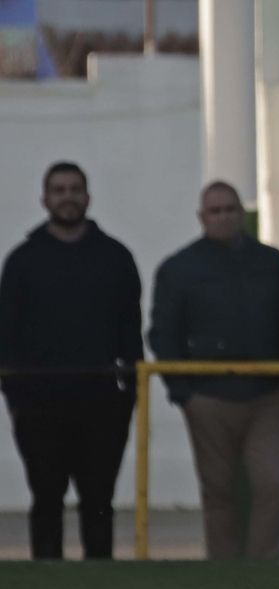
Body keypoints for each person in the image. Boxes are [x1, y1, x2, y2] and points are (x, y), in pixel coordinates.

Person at [0, 161, 142, 559]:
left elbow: (131, 332)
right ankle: (47, 580)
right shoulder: (22, 262)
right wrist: (16, 400)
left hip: (102, 404)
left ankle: (101, 582)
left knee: (98, 499)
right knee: (46, 497)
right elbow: (6, 337)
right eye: (59, 190)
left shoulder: (116, 258)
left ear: (88, 197)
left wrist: (128, 396)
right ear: (44, 199)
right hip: (38, 405)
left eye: (75, 189)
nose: (68, 197)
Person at [149, 181, 279, 561]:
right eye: (215, 211)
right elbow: (163, 333)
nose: (224, 217)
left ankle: (263, 569)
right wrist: (184, 393)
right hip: (209, 397)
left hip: (268, 395)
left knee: (273, 484)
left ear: (241, 213)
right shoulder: (178, 269)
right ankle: (224, 571)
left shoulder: (271, 261)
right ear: (201, 217)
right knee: (218, 491)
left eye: (230, 209)